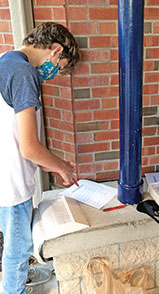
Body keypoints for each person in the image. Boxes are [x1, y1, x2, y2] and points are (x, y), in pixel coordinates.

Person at [0, 22, 80, 294]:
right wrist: (63, 167)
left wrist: (53, 167)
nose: (54, 73)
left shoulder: (5, 60)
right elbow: (30, 147)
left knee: (13, 243)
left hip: (4, 174)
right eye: (60, 66)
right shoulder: (24, 73)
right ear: (56, 51)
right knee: (18, 249)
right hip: (11, 184)